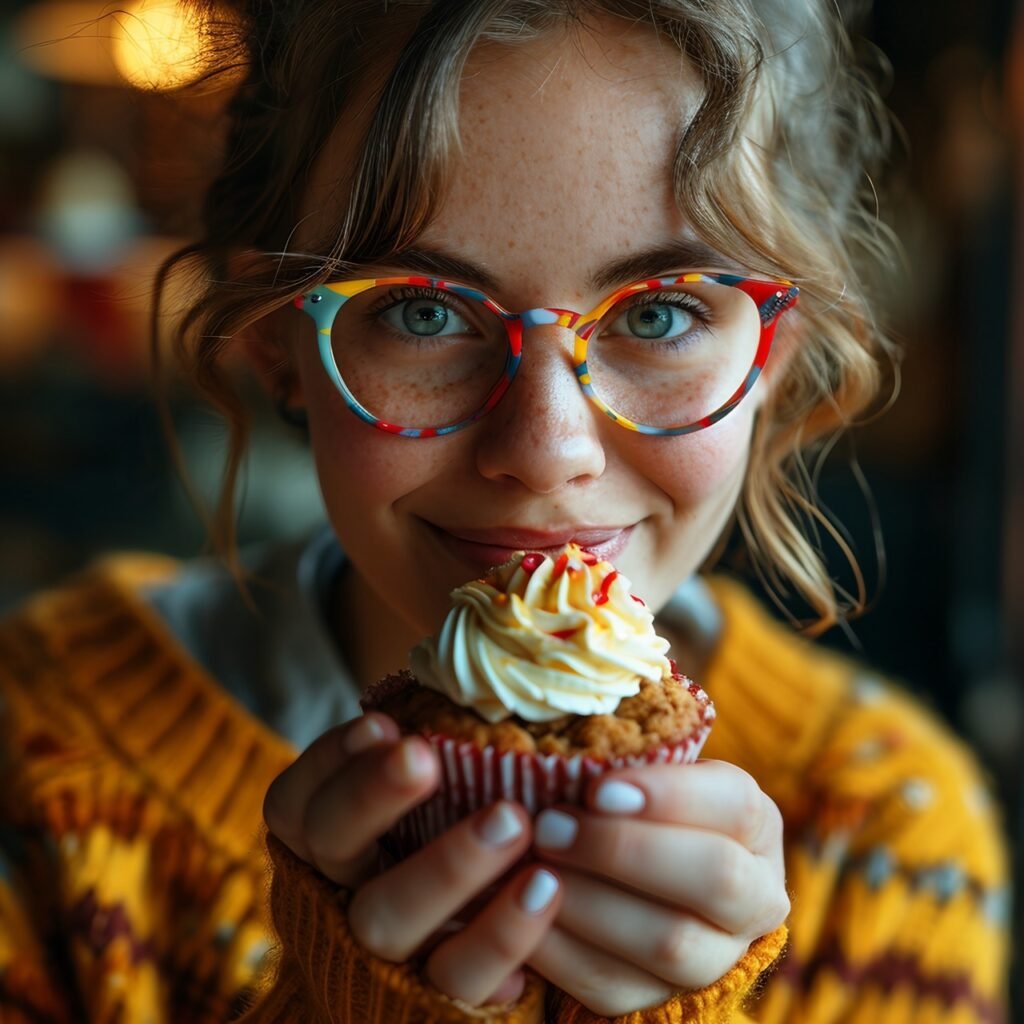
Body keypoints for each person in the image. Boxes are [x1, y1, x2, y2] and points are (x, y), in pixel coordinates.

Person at [0, 1, 1010, 1022]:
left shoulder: (883, 836)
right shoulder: (35, 758)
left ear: (769, 359)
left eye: (659, 313)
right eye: (422, 312)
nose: (544, 451)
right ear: (275, 345)